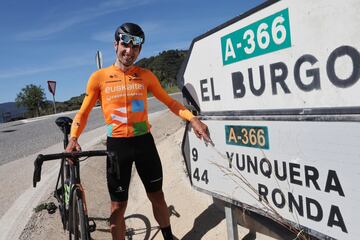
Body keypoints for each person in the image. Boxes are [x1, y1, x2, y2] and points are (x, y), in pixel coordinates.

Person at [65, 22, 210, 240]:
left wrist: (193, 119)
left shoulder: (146, 76)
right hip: (117, 148)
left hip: (144, 144)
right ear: (116, 45)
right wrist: (73, 138)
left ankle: (169, 237)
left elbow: (171, 103)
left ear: (140, 50)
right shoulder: (99, 78)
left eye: (135, 48)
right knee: (117, 206)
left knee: (157, 196)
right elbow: (83, 113)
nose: (129, 52)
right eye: (125, 45)